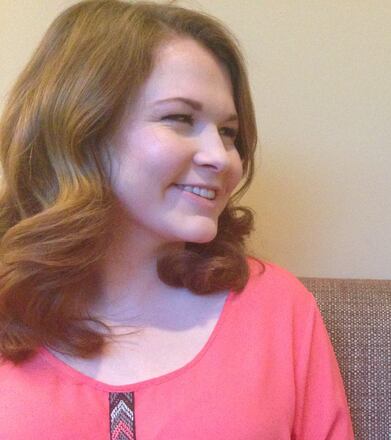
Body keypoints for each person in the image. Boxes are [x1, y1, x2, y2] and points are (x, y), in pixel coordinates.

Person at [0, 1, 353, 438]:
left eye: (228, 132)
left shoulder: (280, 311)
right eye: (180, 119)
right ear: (80, 131)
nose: (221, 157)